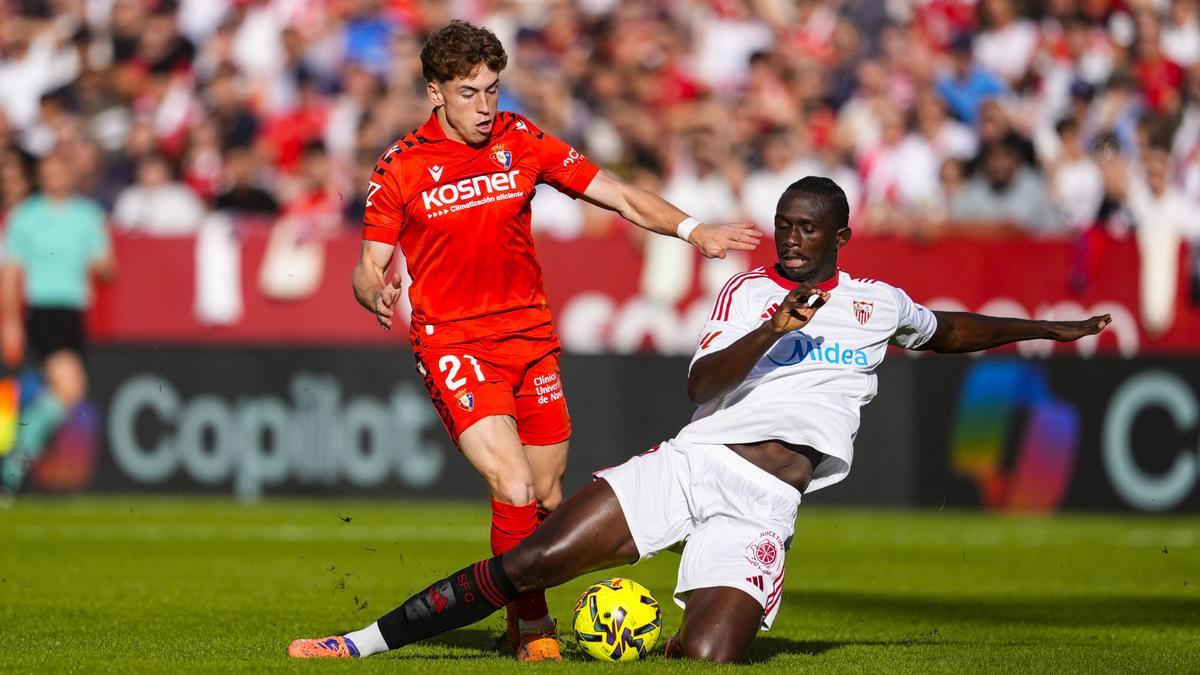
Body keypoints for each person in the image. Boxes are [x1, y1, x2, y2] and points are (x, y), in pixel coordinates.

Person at [290, 176, 1109, 662]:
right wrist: (776, 326)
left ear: (839, 236)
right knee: (531, 559)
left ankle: (647, 624)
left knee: (711, 657)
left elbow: (951, 329)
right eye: (783, 225)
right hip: (693, 463)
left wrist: (1045, 329)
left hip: (764, 504)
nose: (788, 239)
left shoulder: (875, 303)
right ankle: (360, 641)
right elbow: (703, 382)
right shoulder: (751, 293)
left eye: (804, 229)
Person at [350, 20, 760, 661]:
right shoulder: (401, 167)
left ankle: (520, 613)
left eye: (493, 90)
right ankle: (534, 628)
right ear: (435, 92)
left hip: (531, 339)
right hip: (455, 343)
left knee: (545, 498)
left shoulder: (522, 139)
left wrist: (692, 229)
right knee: (512, 487)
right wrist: (374, 289)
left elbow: (618, 194)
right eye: (468, 93)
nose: (485, 107)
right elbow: (369, 263)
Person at [0, 152, 116, 501]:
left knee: (63, 392)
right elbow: (11, 274)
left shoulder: (87, 216)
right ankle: (13, 465)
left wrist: (105, 262)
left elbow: (106, 268)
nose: (55, 178)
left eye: (61, 171)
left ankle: (16, 455)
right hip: (44, 310)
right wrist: (9, 321)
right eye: (48, 173)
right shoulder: (26, 217)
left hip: (74, 312)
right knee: (70, 387)